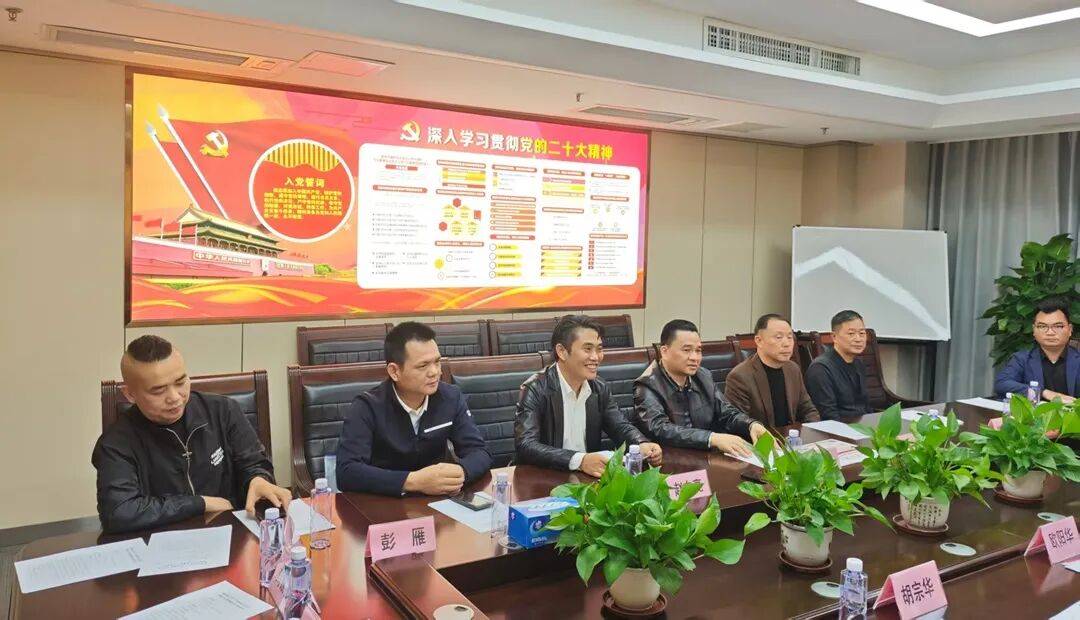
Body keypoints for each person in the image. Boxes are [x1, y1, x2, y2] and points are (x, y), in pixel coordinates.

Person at [92, 336, 291, 534]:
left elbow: (254, 464)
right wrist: (200, 504)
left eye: (180, 382)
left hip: (232, 533)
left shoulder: (223, 411)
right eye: (158, 391)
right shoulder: (117, 442)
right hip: (162, 540)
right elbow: (118, 512)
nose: (174, 397)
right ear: (130, 394)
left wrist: (258, 479)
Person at [336, 321, 492, 496]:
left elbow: (479, 452)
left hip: (438, 501)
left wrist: (461, 472)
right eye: (423, 366)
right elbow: (347, 472)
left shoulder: (451, 397)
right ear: (394, 371)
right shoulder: (366, 407)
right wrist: (413, 481)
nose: (435, 372)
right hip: (384, 501)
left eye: (437, 362)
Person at [515, 315, 663, 476]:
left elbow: (619, 426)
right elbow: (526, 445)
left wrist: (641, 444)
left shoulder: (599, 388)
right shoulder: (536, 389)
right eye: (587, 349)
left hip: (587, 478)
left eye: (599, 349)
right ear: (562, 351)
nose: (596, 357)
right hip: (544, 477)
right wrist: (580, 460)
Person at [634, 319, 768, 456]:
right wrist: (711, 438)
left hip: (705, 456)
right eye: (687, 350)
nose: (695, 357)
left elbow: (726, 412)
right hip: (670, 460)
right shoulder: (647, 385)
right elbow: (660, 429)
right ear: (664, 351)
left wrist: (750, 424)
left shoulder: (703, 376)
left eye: (698, 351)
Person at [726, 314, 821, 427]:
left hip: (791, 436)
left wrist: (813, 431)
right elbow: (738, 424)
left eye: (790, 337)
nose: (787, 344)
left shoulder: (793, 369)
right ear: (759, 341)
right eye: (778, 337)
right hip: (760, 437)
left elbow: (808, 410)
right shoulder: (740, 376)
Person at [994, 296, 1080, 402]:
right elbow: (1002, 383)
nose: (1050, 332)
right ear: (1034, 330)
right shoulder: (1022, 359)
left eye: (1058, 326)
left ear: (1070, 330)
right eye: (1042, 326)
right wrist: (1043, 392)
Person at [805, 310, 871, 421]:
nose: (858, 339)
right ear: (834, 337)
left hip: (861, 426)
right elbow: (827, 415)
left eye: (862, 333)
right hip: (837, 428)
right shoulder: (820, 369)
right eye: (851, 334)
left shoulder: (859, 364)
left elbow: (865, 407)